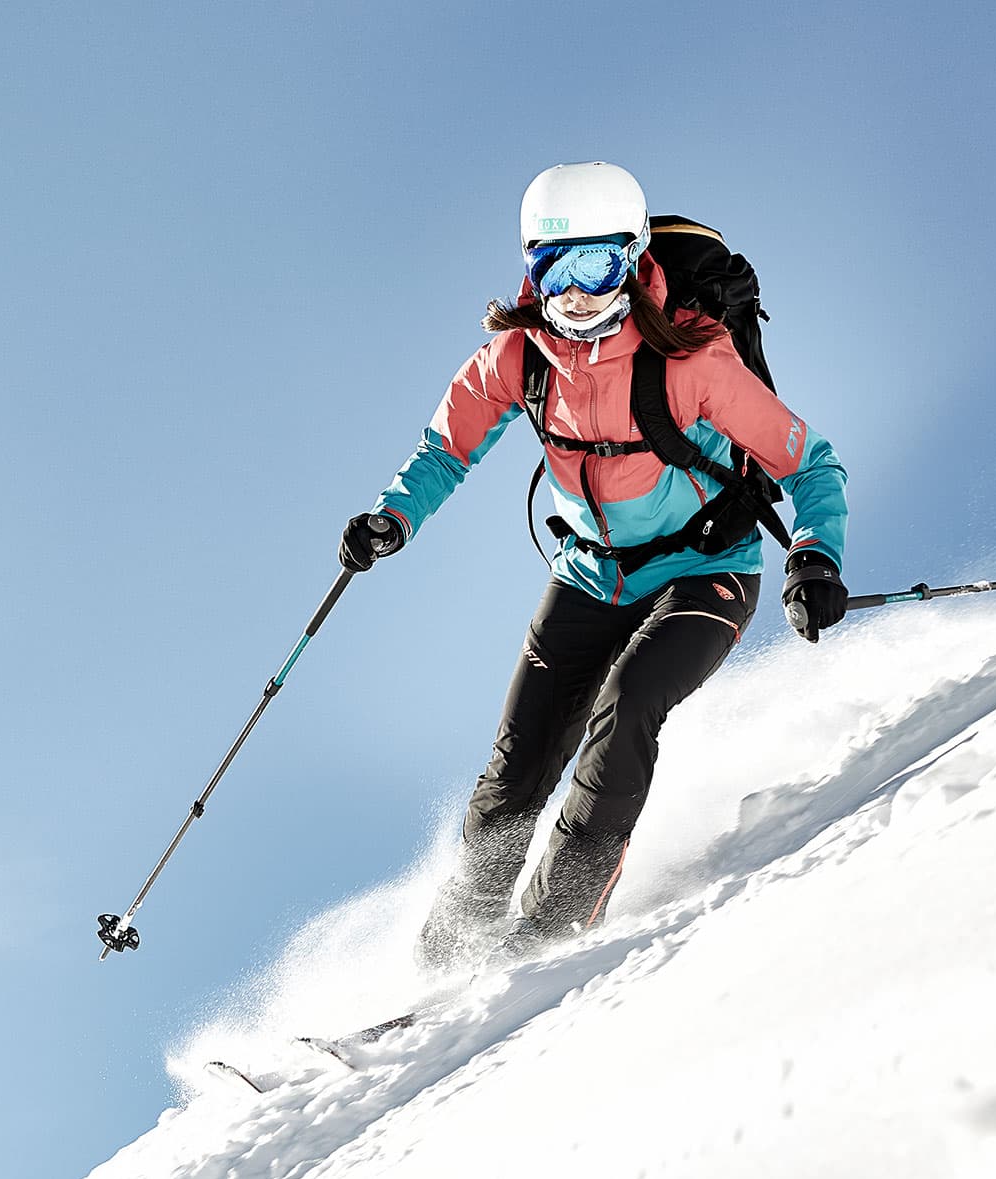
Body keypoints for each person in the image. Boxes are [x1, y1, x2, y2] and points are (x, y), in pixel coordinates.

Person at [338, 162, 849, 970]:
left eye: (599, 265)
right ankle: (443, 965)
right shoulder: (519, 356)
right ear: (529, 268)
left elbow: (810, 464)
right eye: (555, 268)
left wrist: (816, 555)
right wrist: (391, 517)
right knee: (512, 777)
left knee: (628, 704)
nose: (578, 293)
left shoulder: (693, 360)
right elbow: (446, 446)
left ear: (635, 258)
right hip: (588, 576)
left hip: (705, 567)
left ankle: (549, 930)